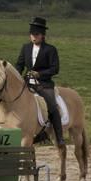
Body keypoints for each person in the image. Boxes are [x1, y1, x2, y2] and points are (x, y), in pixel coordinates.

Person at [15, 17, 66, 148]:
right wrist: (16, 78)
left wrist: (40, 74)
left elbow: (55, 69)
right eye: (32, 34)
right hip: (28, 83)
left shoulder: (50, 50)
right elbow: (19, 65)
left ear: (42, 35)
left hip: (44, 84)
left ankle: (59, 137)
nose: (33, 37)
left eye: (36, 34)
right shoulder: (25, 48)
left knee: (52, 106)